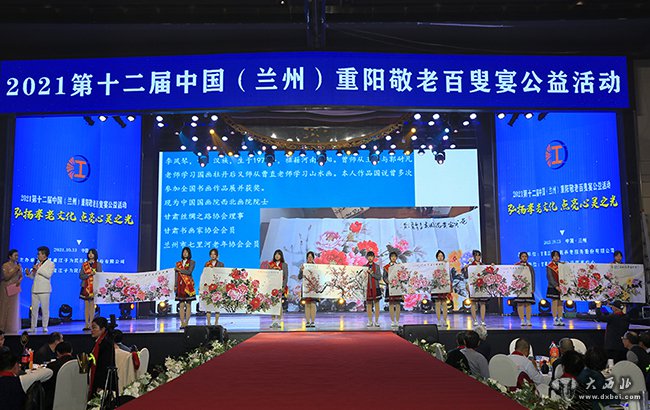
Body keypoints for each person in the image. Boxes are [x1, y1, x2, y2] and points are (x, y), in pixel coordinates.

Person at [25, 246, 55, 333]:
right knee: (34, 310)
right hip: (35, 289)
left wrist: (38, 268)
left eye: (39, 254)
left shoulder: (50, 264)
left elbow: (48, 275)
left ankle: (44, 326)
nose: (37, 255)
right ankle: (33, 327)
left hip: (44, 290)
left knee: (45, 309)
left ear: (44, 255)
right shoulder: (38, 264)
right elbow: (33, 277)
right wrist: (28, 274)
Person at [42, 341, 75, 410]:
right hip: (76, 399)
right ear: (71, 351)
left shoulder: (52, 366)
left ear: (58, 353)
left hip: (55, 401)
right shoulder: (79, 364)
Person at [89, 317, 115, 395]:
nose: (92, 330)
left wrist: (101, 385)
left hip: (103, 383)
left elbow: (105, 365)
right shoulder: (99, 342)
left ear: (103, 329)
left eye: (94, 328)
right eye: (91, 328)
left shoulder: (106, 344)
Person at [79, 249, 102, 331]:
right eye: (89, 253)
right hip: (85, 287)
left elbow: (100, 275)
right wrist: (89, 274)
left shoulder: (98, 264)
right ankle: (86, 324)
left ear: (95, 255)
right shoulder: (84, 264)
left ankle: (91, 323)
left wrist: (95, 274)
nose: (90, 255)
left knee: (92, 306)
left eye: (92, 253)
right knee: (86, 306)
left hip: (94, 287)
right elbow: (81, 276)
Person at [0, 250, 22, 334]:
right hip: (6, 288)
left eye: (17, 255)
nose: (17, 257)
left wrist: (19, 281)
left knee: (13, 308)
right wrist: (15, 269)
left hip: (14, 288)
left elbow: (21, 276)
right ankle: (2, 327)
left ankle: (11, 327)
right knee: (5, 307)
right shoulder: (5, 265)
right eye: (15, 255)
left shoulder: (18, 265)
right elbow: (6, 277)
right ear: (10, 256)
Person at [464, 250, 488, 327]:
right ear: (474, 256)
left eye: (479, 255)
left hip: (482, 286)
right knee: (473, 303)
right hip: (473, 286)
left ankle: (483, 320)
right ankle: (474, 320)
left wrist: (492, 267)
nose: (478, 257)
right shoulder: (470, 266)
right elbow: (465, 276)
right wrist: (465, 269)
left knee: (482, 303)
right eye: (476, 255)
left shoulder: (483, 265)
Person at [175, 247, 196, 329]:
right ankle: (182, 322)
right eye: (184, 252)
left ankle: (186, 322)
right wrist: (175, 285)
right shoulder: (178, 263)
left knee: (188, 304)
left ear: (189, 253)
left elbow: (189, 272)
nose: (185, 253)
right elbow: (176, 275)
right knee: (181, 305)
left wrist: (179, 269)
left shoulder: (192, 262)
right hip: (180, 285)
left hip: (188, 285)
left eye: (186, 252)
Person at [513, 251, 535, 327]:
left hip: (529, 288)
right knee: (520, 304)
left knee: (528, 304)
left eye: (525, 256)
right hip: (519, 288)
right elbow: (513, 276)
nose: (524, 258)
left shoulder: (530, 267)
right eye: (523, 256)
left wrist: (533, 288)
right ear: (520, 257)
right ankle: (522, 320)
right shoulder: (516, 266)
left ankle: (528, 320)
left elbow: (533, 277)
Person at [268, 249, 288, 329]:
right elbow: (268, 275)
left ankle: (279, 321)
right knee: (273, 304)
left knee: (279, 304)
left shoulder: (284, 265)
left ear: (281, 256)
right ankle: (273, 321)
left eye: (279, 254)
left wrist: (283, 287)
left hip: (280, 286)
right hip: (272, 286)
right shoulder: (270, 265)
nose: (277, 255)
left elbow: (286, 277)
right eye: (276, 254)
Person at [382, 251, 403, 329]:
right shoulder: (386, 267)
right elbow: (384, 277)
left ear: (396, 258)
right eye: (392, 256)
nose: (393, 258)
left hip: (398, 287)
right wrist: (388, 282)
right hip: (390, 287)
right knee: (391, 304)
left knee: (398, 304)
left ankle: (397, 321)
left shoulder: (399, 266)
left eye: (395, 256)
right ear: (390, 258)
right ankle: (392, 321)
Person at [204, 248, 224, 326]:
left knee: (217, 305)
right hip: (209, 285)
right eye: (211, 254)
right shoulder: (207, 263)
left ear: (217, 255)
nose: (213, 255)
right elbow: (204, 274)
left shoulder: (221, 264)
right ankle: (208, 322)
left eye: (214, 254)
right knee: (208, 304)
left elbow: (222, 274)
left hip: (217, 285)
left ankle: (216, 322)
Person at [298, 251, 318, 328]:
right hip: (306, 287)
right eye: (308, 257)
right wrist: (301, 271)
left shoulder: (316, 267)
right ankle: (307, 321)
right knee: (307, 304)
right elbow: (299, 277)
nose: (310, 258)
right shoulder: (304, 266)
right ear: (306, 258)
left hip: (314, 288)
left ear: (313, 258)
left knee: (313, 304)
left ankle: (312, 321)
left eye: (311, 257)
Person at [433, 250, 451, 328]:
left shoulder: (446, 265)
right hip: (436, 286)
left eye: (442, 256)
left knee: (444, 303)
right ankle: (439, 320)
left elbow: (449, 275)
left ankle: (444, 320)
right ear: (437, 257)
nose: (440, 257)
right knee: (437, 303)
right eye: (439, 256)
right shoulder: (434, 265)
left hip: (444, 286)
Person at [546, 250, 565, 326]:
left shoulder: (562, 265)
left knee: (560, 303)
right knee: (554, 303)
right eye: (554, 256)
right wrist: (556, 286)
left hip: (562, 287)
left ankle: (560, 318)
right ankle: (555, 318)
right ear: (552, 257)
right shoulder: (549, 266)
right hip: (553, 287)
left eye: (558, 256)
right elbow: (550, 277)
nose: (556, 257)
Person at [365, 251, 382, 328]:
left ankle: (377, 321)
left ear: (374, 257)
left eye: (371, 256)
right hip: (368, 288)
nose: (370, 258)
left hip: (376, 287)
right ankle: (370, 321)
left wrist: (372, 273)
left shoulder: (377, 267)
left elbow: (379, 277)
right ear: (367, 257)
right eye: (369, 256)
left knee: (376, 305)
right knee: (369, 305)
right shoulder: (364, 267)